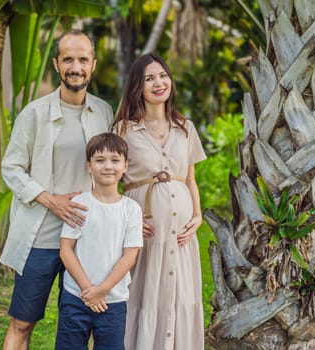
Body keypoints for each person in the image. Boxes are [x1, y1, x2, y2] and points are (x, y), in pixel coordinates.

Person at [0, 29, 113, 350]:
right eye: (68, 59)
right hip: (41, 238)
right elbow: (11, 167)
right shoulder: (34, 113)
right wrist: (51, 201)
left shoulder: (104, 112)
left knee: (80, 326)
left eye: (82, 59)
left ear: (93, 64)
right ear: (56, 64)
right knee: (22, 322)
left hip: (86, 239)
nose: (75, 67)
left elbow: (114, 168)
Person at [113, 53, 206, 350]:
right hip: (144, 232)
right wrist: (129, 221)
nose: (158, 82)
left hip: (181, 235)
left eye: (163, 75)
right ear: (137, 87)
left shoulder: (185, 127)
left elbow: (190, 179)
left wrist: (198, 215)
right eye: (149, 78)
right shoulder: (123, 130)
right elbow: (109, 182)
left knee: (181, 292)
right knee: (145, 291)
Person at [55, 132, 143, 350]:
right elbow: (66, 250)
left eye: (115, 160)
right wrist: (88, 290)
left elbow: (130, 255)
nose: (108, 166)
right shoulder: (79, 204)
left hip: (113, 301)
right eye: (100, 160)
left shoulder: (131, 209)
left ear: (125, 166)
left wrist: (102, 289)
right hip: (76, 297)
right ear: (88, 166)